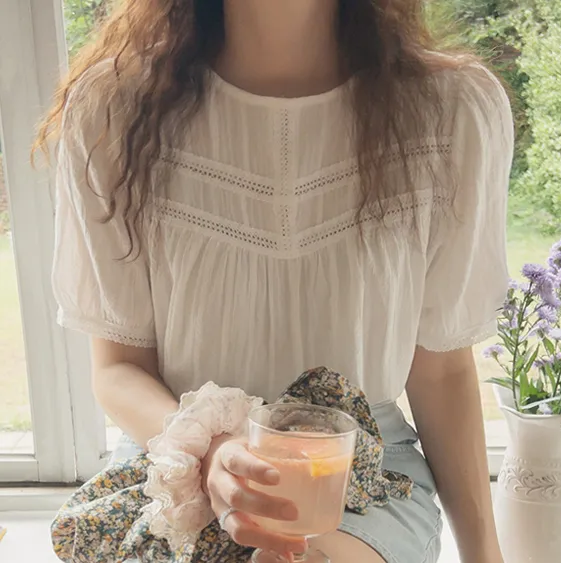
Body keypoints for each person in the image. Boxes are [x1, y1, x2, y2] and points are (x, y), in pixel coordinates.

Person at [38, 1, 513, 561]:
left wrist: (485, 555)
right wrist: (209, 448)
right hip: (174, 460)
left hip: (364, 476)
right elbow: (119, 367)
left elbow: (441, 370)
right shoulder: (113, 111)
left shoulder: (449, 112)